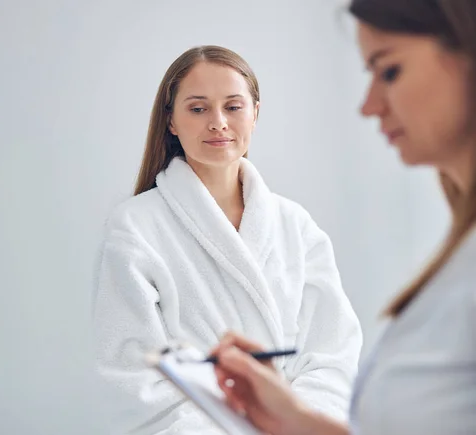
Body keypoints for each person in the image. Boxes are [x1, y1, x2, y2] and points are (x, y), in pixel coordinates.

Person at [211, 1, 476, 434]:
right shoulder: (457, 262)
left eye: (389, 71)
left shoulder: (296, 226)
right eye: (198, 108)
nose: (369, 106)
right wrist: (295, 419)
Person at [92, 45, 362, 434]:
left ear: (255, 113)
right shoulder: (134, 225)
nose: (218, 122)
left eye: (233, 107)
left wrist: (293, 421)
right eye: (198, 109)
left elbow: (332, 354)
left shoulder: (296, 225)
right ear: (171, 121)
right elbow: (131, 371)